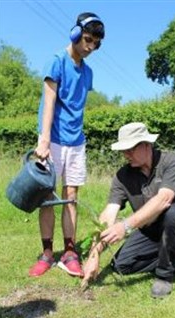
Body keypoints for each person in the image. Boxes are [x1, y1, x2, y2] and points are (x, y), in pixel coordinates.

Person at [82, 122, 175, 298]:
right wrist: (94, 254)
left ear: (147, 144)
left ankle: (164, 276)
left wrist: (125, 227)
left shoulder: (172, 161)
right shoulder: (122, 176)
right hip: (151, 228)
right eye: (123, 150)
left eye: (130, 149)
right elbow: (109, 212)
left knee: (172, 212)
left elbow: (164, 200)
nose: (126, 154)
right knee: (121, 266)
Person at [29, 12, 105, 277]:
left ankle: (70, 253)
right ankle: (47, 253)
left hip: (76, 142)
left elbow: (77, 108)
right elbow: (48, 102)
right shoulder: (57, 61)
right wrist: (44, 139)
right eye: (87, 40)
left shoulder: (88, 72)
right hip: (54, 140)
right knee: (48, 198)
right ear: (75, 34)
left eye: (95, 43)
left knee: (71, 197)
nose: (90, 47)